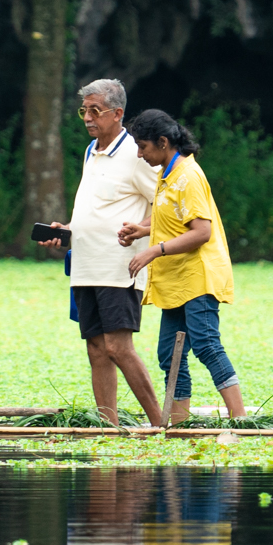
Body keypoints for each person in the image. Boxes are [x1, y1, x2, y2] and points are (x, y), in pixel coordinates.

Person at [39, 78, 165, 428]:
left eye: (96, 111)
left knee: (118, 347)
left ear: (118, 113)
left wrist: (142, 229)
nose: (88, 118)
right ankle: (109, 427)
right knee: (96, 349)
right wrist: (66, 230)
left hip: (118, 267)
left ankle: (160, 424)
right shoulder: (90, 151)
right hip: (84, 265)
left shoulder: (138, 154)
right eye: (84, 111)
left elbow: (167, 206)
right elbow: (96, 209)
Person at [118, 109, 246, 423]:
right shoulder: (168, 172)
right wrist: (144, 229)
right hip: (176, 280)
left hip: (198, 276)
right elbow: (175, 218)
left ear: (163, 142)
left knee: (205, 344)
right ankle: (179, 421)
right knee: (168, 353)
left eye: (143, 147)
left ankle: (240, 418)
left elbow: (202, 232)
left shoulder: (187, 175)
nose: (140, 154)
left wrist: (154, 251)